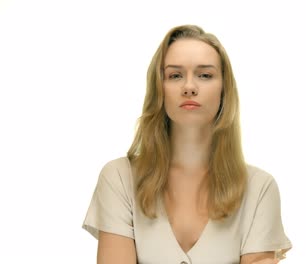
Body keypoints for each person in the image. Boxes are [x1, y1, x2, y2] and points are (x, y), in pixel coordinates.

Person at [82, 24, 292, 264]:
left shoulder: (259, 189)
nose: (189, 87)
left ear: (224, 89)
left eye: (205, 75)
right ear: (158, 89)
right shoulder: (119, 178)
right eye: (175, 75)